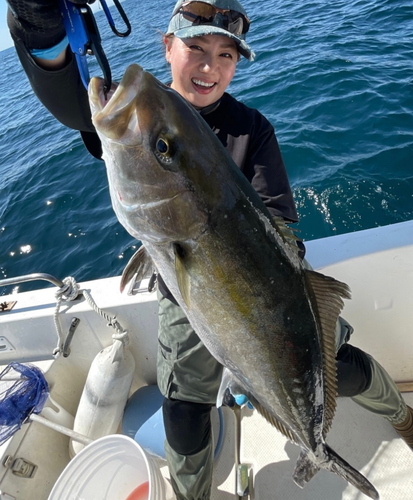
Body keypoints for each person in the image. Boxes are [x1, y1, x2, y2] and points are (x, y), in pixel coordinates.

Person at [7, 0, 413, 498]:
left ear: (238, 63)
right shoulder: (146, 119)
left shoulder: (251, 129)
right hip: (185, 292)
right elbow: (73, 103)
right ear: (167, 47)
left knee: (339, 366)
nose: (209, 67)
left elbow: (280, 226)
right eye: (195, 49)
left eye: (226, 55)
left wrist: (256, 347)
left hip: (269, 290)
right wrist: (40, 29)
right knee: (183, 411)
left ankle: (402, 414)